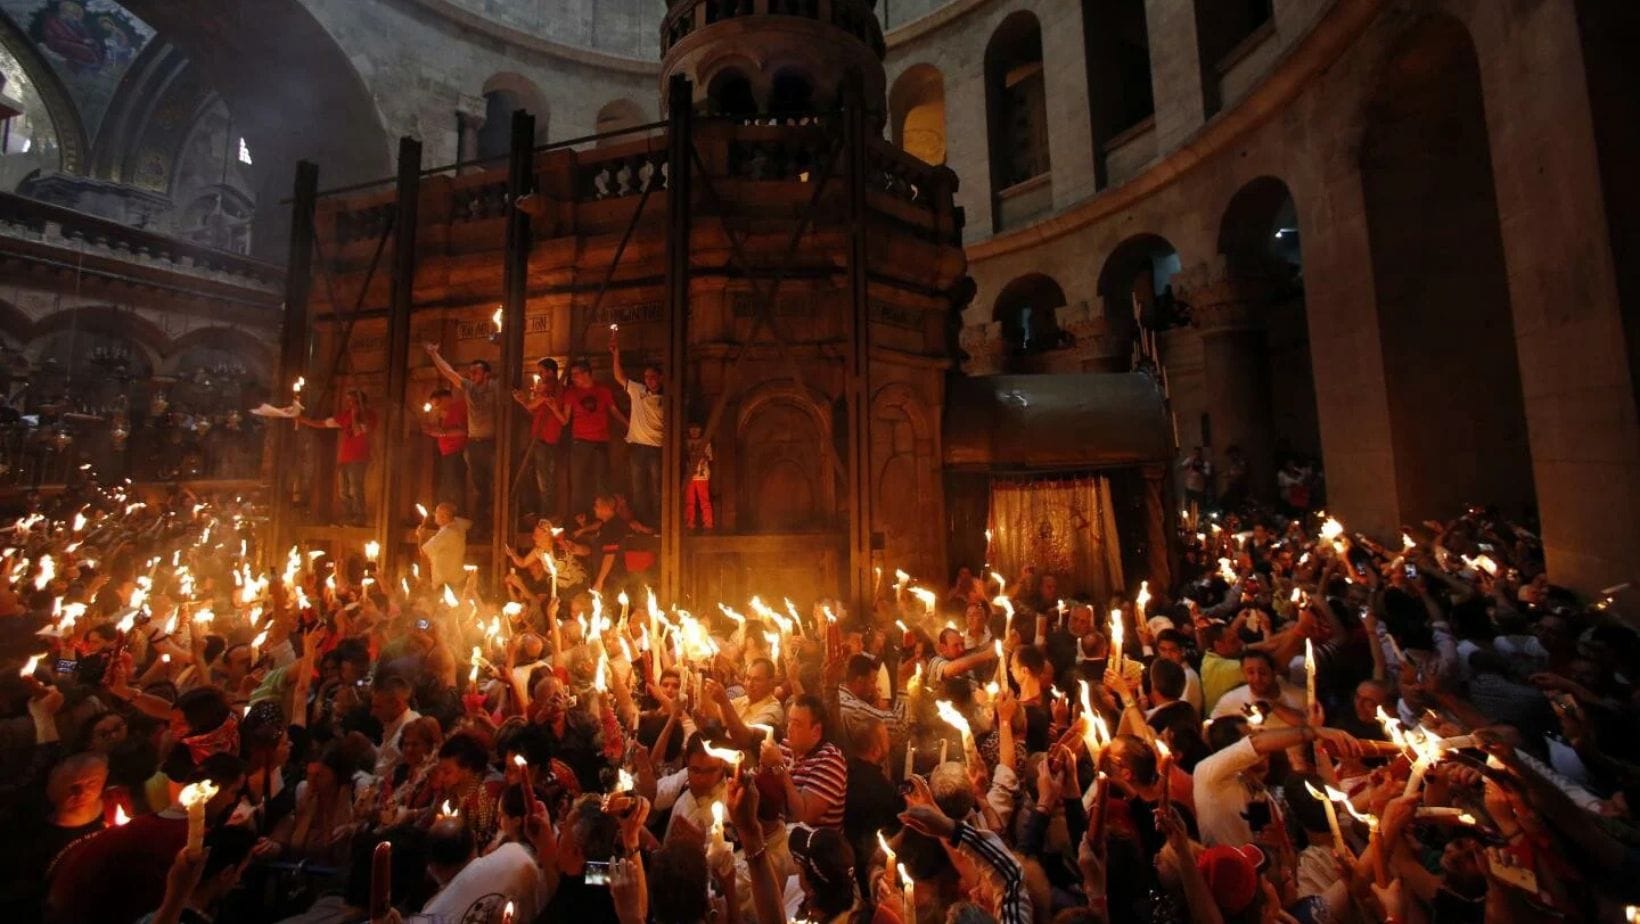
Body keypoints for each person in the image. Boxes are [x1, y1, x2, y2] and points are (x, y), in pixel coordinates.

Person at [423, 344, 499, 532]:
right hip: (474, 444)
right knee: (479, 488)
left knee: (496, 485)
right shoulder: (469, 388)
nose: (472, 375)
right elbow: (449, 372)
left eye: (476, 372)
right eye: (470, 372)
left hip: (492, 443)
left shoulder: (496, 388)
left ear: (487, 374)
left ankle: (494, 524)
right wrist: (434, 354)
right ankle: (480, 524)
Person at [296, 389, 374, 526]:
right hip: (344, 458)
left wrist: (355, 415)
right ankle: (347, 517)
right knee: (343, 491)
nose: (349, 404)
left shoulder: (369, 416)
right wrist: (303, 420)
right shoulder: (345, 415)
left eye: (352, 401)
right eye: (348, 401)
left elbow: (358, 431)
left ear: (359, 402)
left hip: (359, 457)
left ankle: (359, 518)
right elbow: (323, 424)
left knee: (355, 489)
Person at [609, 327, 663, 525]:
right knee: (638, 487)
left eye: (654, 377)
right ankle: (641, 523)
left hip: (657, 447)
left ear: (661, 378)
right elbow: (619, 377)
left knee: (657, 488)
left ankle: (658, 522)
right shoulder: (638, 390)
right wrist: (616, 355)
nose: (650, 380)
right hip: (638, 446)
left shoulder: (667, 397)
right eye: (647, 377)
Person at [513, 358, 569, 524]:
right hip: (538, 439)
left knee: (544, 482)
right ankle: (536, 513)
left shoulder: (553, 389)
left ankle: (546, 517)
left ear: (551, 372)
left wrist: (523, 400)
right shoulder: (554, 390)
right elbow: (535, 411)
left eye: (541, 372)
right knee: (536, 477)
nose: (540, 375)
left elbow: (532, 405)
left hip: (545, 440)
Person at [562, 359, 619, 520]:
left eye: (576, 374)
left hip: (601, 441)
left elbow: (614, 411)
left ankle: (603, 518)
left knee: (602, 480)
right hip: (580, 441)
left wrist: (629, 425)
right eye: (572, 374)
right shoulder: (571, 393)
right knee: (578, 481)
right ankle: (579, 519)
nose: (573, 377)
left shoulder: (603, 390)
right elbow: (565, 418)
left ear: (587, 374)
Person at [421, 387, 468, 510]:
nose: (436, 408)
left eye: (437, 403)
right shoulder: (447, 413)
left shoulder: (457, 408)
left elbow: (464, 431)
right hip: (448, 453)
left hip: (456, 452)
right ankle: (446, 514)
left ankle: (456, 514)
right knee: (447, 486)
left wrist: (441, 433)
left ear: (447, 398)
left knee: (454, 486)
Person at [416, 502, 471, 591]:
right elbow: (467, 523)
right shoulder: (459, 526)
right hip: (458, 580)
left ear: (444, 516)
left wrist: (420, 537)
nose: (434, 514)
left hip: (445, 584)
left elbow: (423, 552)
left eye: (437, 513)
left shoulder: (445, 535)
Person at [685, 421, 713, 531]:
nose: (694, 432)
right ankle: (690, 523)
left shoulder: (706, 442)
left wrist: (699, 455)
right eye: (692, 429)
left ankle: (708, 524)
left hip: (702, 476)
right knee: (689, 502)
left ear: (700, 430)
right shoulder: (686, 443)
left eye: (697, 429)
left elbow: (708, 457)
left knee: (704, 501)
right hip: (689, 476)